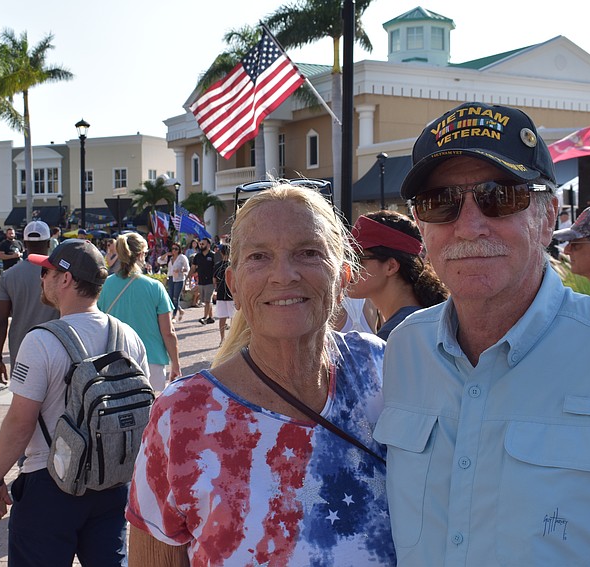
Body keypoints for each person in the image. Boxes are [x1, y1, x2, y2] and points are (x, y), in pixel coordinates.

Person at [374, 101, 590, 566]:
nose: (468, 226)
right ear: (421, 227)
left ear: (548, 215)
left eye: (500, 196)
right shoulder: (404, 350)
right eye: (440, 204)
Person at [126, 184, 393, 566]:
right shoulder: (184, 414)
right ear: (234, 286)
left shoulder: (380, 369)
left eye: (309, 253)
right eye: (259, 257)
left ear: (343, 278)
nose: (283, 275)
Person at [0, 239, 149, 566]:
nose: (41, 277)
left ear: (66, 280)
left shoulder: (41, 341)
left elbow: (20, 422)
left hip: (50, 481)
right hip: (111, 482)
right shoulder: (128, 336)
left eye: (47, 271)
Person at [96, 232, 180, 392]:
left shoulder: (105, 286)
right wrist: (175, 364)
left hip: (114, 359)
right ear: (141, 254)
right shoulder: (155, 287)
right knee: (151, 412)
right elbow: (168, 332)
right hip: (151, 360)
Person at [349, 211, 448, 339]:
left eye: (357, 260)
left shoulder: (396, 334)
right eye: (346, 258)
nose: (348, 267)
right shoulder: (427, 319)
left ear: (391, 266)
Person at [0, 220, 60, 384]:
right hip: (57, 348)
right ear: (49, 242)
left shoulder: (9, 275)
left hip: (22, 350)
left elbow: (1, 321)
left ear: (24, 243)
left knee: (23, 403)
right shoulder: (62, 274)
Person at [188, 237, 216, 324]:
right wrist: (188, 277)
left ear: (208, 245)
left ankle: (205, 317)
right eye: (200, 244)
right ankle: (211, 317)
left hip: (210, 281)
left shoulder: (213, 255)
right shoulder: (198, 256)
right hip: (201, 281)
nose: (201, 245)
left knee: (207, 300)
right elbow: (193, 267)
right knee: (206, 300)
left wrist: (216, 280)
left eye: (203, 244)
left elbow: (217, 268)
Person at [211, 243, 234, 343]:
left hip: (221, 294)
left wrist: (215, 290)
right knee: (234, 318)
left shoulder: (217, 265)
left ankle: (222, 339)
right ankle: (233, 339)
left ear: (221, 252)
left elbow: (214, 280)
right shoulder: (233, 265)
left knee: (222, 318)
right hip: (232, 294)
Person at [166, 242, 189, 321]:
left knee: (175, 297)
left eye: (176, 249)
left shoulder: (182, 257)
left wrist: (181, 270)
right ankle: (180, 310)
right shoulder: (170, 258)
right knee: (170, 298)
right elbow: (160, 261)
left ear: (179, 250)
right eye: (173, 249)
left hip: (179, 279)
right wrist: (166, 254)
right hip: (171, 278)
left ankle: (174, 316)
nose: (174, 251)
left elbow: (187, 268)